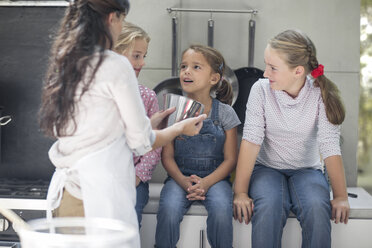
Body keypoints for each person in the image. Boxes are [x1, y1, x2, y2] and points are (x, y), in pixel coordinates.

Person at [39, 0, 206, 246]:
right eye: (122, 20)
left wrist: (149, 123)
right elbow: (142, 142)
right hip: (96, 199)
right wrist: (178, 128)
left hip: (64, 196)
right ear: (112, 18)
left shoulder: (68, 60)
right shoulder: (115, 65)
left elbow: (99, 130)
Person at [233, 29, 350, 248]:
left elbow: (330, 146)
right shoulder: (261, 90)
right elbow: (250, 141)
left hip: (307, 170)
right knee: (269, 205)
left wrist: (341, 196)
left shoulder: (321, 94)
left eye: (273, 68)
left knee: (317, 206)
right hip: (267, 168)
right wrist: (240, 192)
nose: (265, 73)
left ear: (298, 71)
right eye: (266, 65)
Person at [155, 44, 240, 248]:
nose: (186, 71)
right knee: (168, 209)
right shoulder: (172, 110)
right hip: (179, 178)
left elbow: (230, 159)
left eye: (196, 67)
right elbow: (167, 157)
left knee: (221, 209)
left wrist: (207, 183)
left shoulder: (226, 113)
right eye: (184, 66)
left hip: (216, 179)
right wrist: (184, 182)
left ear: (214, 78)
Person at [114, 22, 161, 227]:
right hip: (105, 178)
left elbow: (154, 146)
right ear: (115, 54)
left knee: (129, 228)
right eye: (136, 56)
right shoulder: (100, 94)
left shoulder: (148, 97)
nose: (141, 62)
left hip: (134, 180)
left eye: (144, 56)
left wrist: (137, 177)